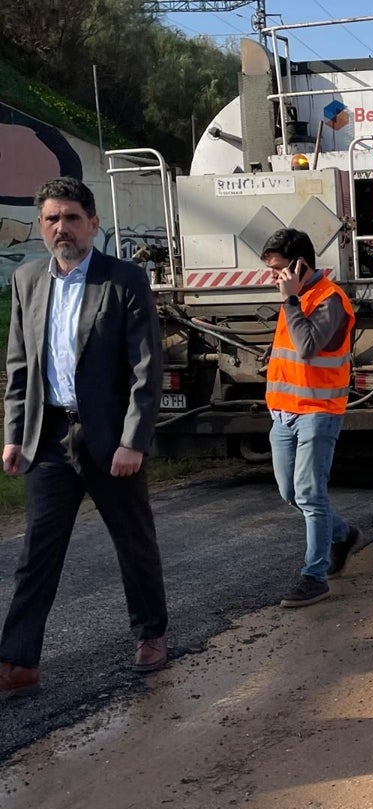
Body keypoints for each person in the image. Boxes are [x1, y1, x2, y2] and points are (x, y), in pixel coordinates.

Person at [1, 176, 169, 699]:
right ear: (41, 226)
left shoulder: (123, 280)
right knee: (37, 553)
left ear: (93, 223)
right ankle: (19, 661)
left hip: (110, 440)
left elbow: (147, 368)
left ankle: (150, 636)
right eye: (52, 218)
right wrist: (12, 433)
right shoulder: (28, 279)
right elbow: (19, 363)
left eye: (72, 217)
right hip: (49, 438)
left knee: (133, 542)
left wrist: (133, 441)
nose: (61, 227)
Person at [261, 229, 359, 608]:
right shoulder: (297, 297)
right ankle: (343, 534)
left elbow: (306, 347)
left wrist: (289, 302)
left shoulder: (329, 300)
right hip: (283, 415)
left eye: (280, 269)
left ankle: (313, 576)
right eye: (271, 271)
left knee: (310, 494)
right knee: (291, 493)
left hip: (318, 412)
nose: (275, 278)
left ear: (302, 265)